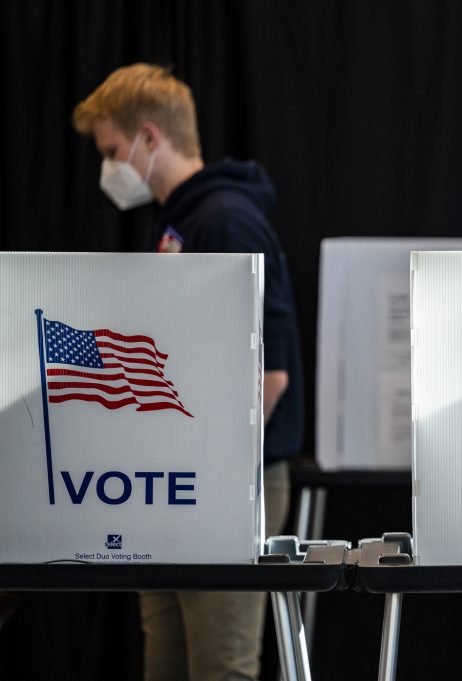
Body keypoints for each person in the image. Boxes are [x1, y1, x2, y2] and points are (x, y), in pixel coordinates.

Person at [72, 63, 303, 681]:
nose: (109, 169)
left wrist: (206, 476)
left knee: (220, 667)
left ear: (150, 137)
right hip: (173, 483)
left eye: (112, 151)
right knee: (167, 663)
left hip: (223, 485)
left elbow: (270, 376)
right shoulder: (175, 222)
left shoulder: (225, 220)